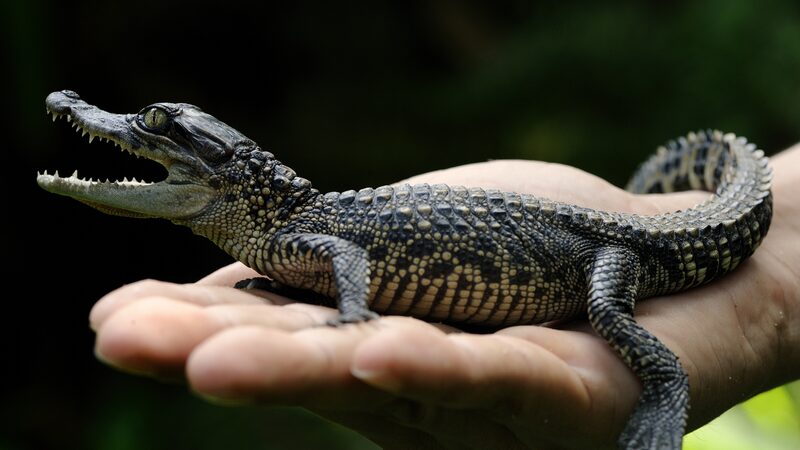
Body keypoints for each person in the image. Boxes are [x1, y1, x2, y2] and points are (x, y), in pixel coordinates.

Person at [88, 145, 800, 449]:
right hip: (571, 243)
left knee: (607, 310)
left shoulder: (303, 236)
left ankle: (662, 385)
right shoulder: (286, 240)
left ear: (227, 175)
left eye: (158, 127)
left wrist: (354, 312)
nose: (132, 133)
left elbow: (340, 256)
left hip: (606, 251)